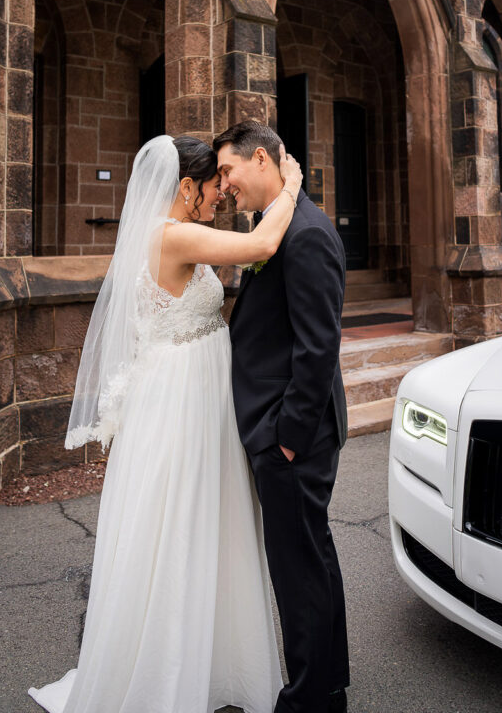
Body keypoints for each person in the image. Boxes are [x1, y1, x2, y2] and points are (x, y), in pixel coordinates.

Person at [28, 133, 302, 713]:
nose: (219, 196)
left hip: (191, 390)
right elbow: (260, 245)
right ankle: (164, 670)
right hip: (180, 399)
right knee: (178, 517)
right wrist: (292, 186)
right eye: (212, 186)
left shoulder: (168, 234)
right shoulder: (171, 234)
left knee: (200, 515)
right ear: (185, 187)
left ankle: (206, 660)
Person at [213, 120, 350, 713]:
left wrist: (285, 440)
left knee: (299, 572)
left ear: (262, 158)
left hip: (294, 436)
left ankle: (311, 699)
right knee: (307, 563)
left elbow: (318, 349)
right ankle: (326, 686)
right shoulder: (279, 227)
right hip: (283, 431)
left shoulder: (307, 234)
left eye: (227, 171)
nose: (222, 187)